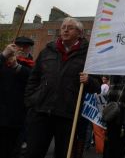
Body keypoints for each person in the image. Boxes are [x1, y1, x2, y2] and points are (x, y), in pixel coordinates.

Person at [24, 17, 101, 158]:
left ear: (80, 33)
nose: (65, 30)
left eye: (70, 27)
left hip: (67, 114)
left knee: (63, 153)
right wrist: (31, 100)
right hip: (41, 111)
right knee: (33, 152)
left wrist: (89, 80)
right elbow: (33, 78)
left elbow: (98, 86)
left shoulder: (89, 56)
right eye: (63, 27)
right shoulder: (47, 51)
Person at [0, 37, 34, 158]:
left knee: (14, 150)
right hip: (2, 113)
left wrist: (16, 66)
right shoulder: (3, 60)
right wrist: (4, 56)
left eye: (25, 47)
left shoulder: (31, 65)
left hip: (18, 116)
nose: (21, 49)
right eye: (18, 45)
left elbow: (32, 78)